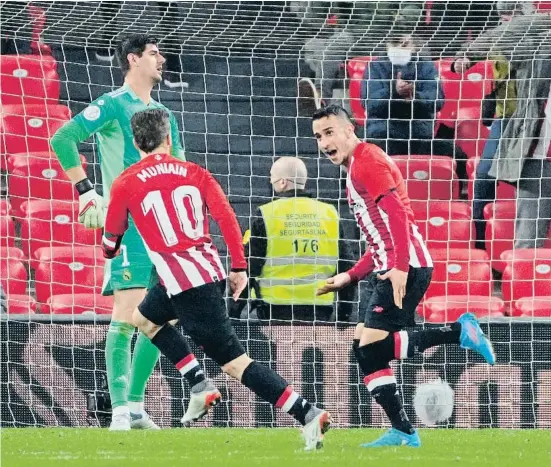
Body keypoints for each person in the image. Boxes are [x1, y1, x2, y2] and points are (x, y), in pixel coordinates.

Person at [102, 108, 331, 450]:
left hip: (187, 285)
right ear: (168, 138)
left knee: (236, 364)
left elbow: (110, 246)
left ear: (136, 143)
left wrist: (101, 226)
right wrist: (238, 267)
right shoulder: (196, 173)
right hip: (203, 274)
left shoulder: (125, 181)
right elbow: (226, 217)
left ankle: (307, 413)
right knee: (144, 319)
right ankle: (198, 385)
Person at [50, 34, 212, 431]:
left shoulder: (164, 116)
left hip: (165, 233)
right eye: (154, 54)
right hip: (128, 228)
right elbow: (62, 138)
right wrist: (87, 192)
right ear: (133, 59)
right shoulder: (111, 104)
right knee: (126, 315)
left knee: (162, 320)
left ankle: (135, 407)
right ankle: (119, 410)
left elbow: (181, 170)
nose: (162, 60)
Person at [312, 105, 495, 448]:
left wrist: (398, 266)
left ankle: (460, 332)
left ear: (350, 129)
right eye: (319, 136)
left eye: (330, 132)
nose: (324, 142)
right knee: (365, 347)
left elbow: (396, 214)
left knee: (370, 351)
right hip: (394, 264)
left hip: (405, 266)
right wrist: (350, 276)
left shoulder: (367, 162)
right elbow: (379, 236)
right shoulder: (358, 164)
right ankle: (403, 430)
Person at [453, 8, 551, 249]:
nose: (509, 17)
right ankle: (478, 242)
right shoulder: (537, 39)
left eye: (513, 12)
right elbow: (506, 34)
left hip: (530, 141)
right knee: (528, 231)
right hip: (535, 149)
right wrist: (468, 54)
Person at [233, 156, 356, 322]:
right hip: (320, 310)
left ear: (283, 182)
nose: (271, 181)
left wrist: (233, 315)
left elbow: (247, 268)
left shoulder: (267, 214)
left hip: (274, 311)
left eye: (272, 177)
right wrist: (344, 315)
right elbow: (347, 266)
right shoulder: (329, 214)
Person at [361, 33, 469, 182]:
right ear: (388, 46)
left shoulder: (425, 66)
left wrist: (415, 96)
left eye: (405, 45)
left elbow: (437, 101)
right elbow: (370, 103)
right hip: (384, 136)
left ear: (413, 46)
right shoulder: (374, 67)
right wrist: (394, 92)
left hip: (419, 136)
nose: (400, 49)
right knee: (361, 156)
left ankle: (457, 196)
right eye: (396, 44)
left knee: (458, 155)